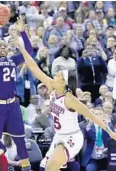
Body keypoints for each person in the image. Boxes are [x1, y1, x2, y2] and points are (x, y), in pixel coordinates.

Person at [15, 29, 116, 171]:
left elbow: (91, 115)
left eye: (58, 76)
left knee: (51, 166)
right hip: (58, 136)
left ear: (64, 83)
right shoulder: (52, 86)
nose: (54, 76)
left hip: (72, 137)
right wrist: (21, 48)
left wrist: (110, 132)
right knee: (45, 168)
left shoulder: (70, 99)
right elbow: (33, 66)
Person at [0, 16, 32, 171]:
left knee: (20, 138)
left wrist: (23, 33)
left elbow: (29, 51)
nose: (3, 48)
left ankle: (26, 168)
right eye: (0, 46)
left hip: (12, 104)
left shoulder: (12, 60)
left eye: (5, 46)